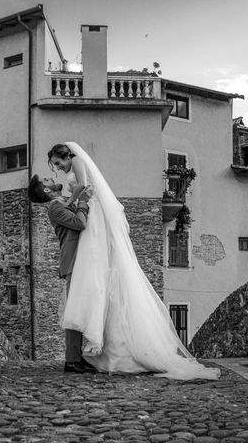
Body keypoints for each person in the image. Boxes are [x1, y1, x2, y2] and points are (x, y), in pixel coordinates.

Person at [47, 142, 220, 380]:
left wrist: (70, 202)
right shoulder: (66, 182)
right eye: (56, 165)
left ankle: (76, 359)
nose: (58, 168)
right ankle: (76, 358)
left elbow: (85, 187)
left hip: (92, 213)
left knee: (93, 279)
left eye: (58, 162)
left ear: (65, 155)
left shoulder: (77, 162)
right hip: (89, 213)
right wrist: (75, 202)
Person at [27, 174, 97, 374]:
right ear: (47, 190)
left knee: (83, 309)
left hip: (82, 261)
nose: (50, 178)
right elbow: (79, 223)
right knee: (74, 311)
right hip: (73, 263)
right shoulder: (55, 208)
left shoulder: (64, 202)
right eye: (46, 180)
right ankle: (72, 360)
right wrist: (83, 201)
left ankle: (78, 357)